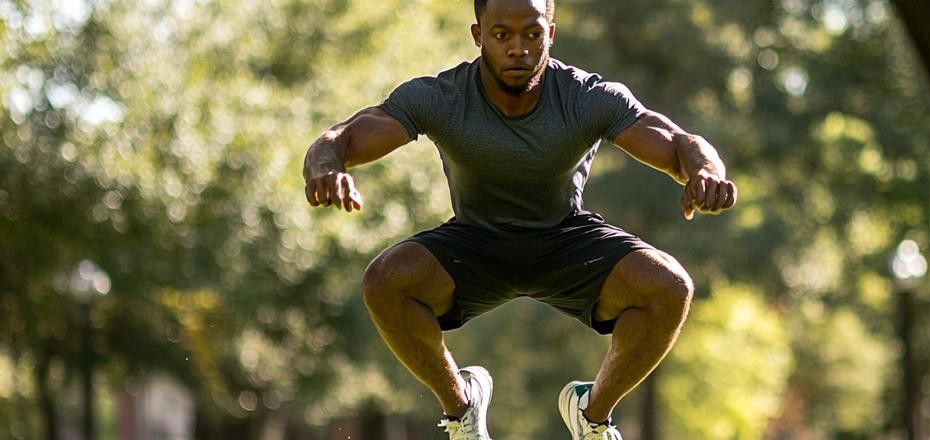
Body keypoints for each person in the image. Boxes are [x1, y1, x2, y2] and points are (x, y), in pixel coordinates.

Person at [302, 0, 737, 438]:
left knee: (669, 286)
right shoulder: (442, 97)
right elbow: (342, 136)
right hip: (474, 243)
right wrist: (326, 168)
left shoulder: (587, 97)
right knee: (384, 281)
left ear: (550, 33)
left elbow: (678, 141)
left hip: (566, 240)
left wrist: (707, 173)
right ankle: (462, 409)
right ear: (478, 36)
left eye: (531, 34)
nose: (517, 48)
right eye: (502, 35)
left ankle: (592, 415)